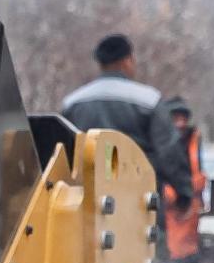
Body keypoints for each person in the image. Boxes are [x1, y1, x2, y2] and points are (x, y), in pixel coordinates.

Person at [61, 34, 195, 216]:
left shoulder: (73, 103)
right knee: (146, 243)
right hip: (140, 203)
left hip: (88, 206)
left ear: (100, 64)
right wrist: (184, 192)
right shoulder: (148, 100)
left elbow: (63, 154)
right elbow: (169, 152)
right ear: (127, 61)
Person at [159, 97, 209, 261]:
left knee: (188, 254)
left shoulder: (194, 139)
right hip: (167, 210)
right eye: (175, 119)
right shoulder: (158, 142)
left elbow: (198, 171)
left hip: (190, 209)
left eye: (183, 118)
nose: (180, 123)